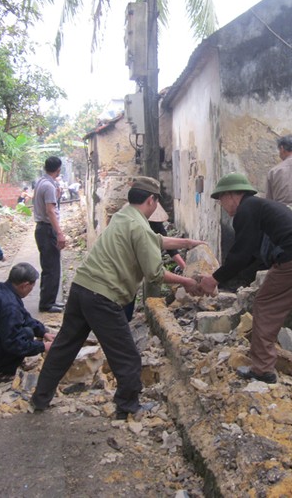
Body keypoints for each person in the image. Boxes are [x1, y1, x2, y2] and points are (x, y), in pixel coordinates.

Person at [29, 177, 205, 419]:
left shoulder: (123, 216)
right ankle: (128, 406)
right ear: (151, 200)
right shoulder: (141, 227)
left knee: (64, 346)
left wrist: (187, 242)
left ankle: (40, 398)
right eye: (155, 202)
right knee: (127, 356)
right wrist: (188, 281)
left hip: (81, 288)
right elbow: (154, 274)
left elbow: (156, 240)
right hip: (103, 296)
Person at [198, 172, 292, 384]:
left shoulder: (245, 211)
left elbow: (241, 253)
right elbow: (252, 254)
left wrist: (214, 279)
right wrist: (224, 278)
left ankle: (262, 368)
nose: (222, 205)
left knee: (265, 304)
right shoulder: (261, 206)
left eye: (221, 199)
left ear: (231, 195)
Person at [122, 200, 187, 321]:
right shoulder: (130, 224)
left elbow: (168, 246)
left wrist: (184, 266)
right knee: (127, 291)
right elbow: (157, 273)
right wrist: (186, 281)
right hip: (128, 264)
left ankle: (150, 317)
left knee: (150, 286)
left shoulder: (155, 225)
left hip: (147, 261)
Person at [33, 156, 66, 313]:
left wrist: (57, 197)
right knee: (51, 267)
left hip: (43, 228)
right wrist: (59, 233)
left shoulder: (42, 182)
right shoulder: (48, 186)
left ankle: (49, 300)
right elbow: (50, 211)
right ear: (58, 169)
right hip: (47, 229)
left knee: (50, 266)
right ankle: (47, 303)